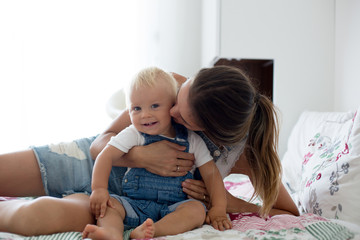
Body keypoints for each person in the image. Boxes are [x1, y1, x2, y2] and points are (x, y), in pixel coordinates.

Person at [0, 65, 299, 236]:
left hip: (123, 203)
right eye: (177, 99)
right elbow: (99, 144)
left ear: (211, 132)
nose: (173, 110)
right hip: (85, 164)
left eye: (183, 116)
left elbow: (288, 211)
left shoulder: (248, 156)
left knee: (32, 218)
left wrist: (225, 200)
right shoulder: (175, 83)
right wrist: (140, 157)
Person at [83, 66, 231, 239]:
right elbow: (105, 155)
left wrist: (218, 209)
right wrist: (99, 189)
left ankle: (151, 231)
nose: (145, 115)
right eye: (136, 108)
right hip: (133, 205)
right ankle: (111, 233)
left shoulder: (192, 140)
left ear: (171, 105)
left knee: (197, 210)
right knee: (110, 206)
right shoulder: (133, 134)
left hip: (175, 207)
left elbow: (211, 174)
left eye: (154, 106)